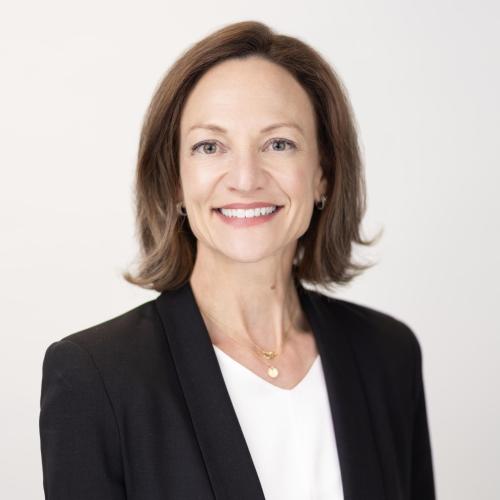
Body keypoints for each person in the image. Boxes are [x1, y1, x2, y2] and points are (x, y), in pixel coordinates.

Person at [39, 20, 436, 500]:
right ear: (175, 180)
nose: (246, 178)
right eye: (210, 146)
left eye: (278, 144)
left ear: (323, 175)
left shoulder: (389, 355)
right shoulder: (95, 376)